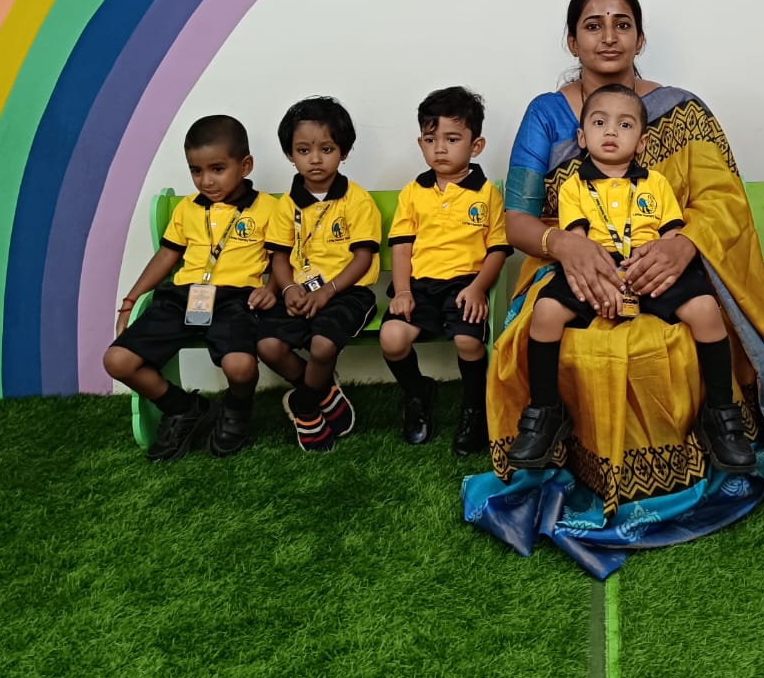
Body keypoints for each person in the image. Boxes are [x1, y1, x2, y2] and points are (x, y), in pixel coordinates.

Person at [465, 0, 764, 575]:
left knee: (686, 330)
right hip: (570, 266)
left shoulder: (681, 111)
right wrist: (567, 247)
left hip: (666, 265)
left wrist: (683, 244)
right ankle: (549, 427)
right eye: (592, 25)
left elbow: (723, 202)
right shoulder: (546, 114)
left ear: (640, 38)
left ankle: (721, 428)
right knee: (569, 335)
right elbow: (518, 221)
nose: (608, 36)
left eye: (622, 23)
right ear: (572, 40)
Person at [507, 83, 753, 473]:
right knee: (547, 313)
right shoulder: (574, 187)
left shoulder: (656, 183)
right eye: (599, 123)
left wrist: (659, 263)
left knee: (706, 309)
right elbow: (577, 241)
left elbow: (672, 233)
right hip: (597, 264)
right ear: (581, 137)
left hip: (648, 264)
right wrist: (600, 278)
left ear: (641, 142)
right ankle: (545, 410)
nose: (611, 131)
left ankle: (721, 414)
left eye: (624, 125)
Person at [104, 115, 279, 461]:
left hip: (236, 301)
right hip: (182, 298)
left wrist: (271, 288)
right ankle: (183, 408)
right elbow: (166, 256)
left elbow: (282, 259)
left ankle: (236, 410)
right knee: (117, 360)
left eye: (217, 169)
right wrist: (130, 299)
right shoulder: (187, 209)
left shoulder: (269, 208)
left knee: (241, 367)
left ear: (245, 166)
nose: (206, 180)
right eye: (196, 171)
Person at [380, 87, 510, 454]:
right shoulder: (413, 192)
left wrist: (479, 288)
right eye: (430, 139)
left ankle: (474, 408)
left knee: (468, 341)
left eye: (452, 139)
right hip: (419, 287)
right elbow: (402, 246)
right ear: (420, 143)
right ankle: (417, 393)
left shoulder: (486, 193)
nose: (439, 149)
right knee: (392, 338)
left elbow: (497, 250)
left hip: (465, 286)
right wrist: (402, 291)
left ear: (476, 145)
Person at [256, 96, 382, 454]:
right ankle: (323, 390)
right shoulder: (286, 205)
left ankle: (305, 405)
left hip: (348, 292)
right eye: (303, 150)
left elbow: (362, 258)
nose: (315, 159)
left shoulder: (357, 201)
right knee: (267, 345)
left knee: (322, 345)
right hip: (298, 293)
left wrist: (327, 292)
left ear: (343, 152)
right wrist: (289, 288)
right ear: (289, 154)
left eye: (326, 149)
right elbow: (279, 256)